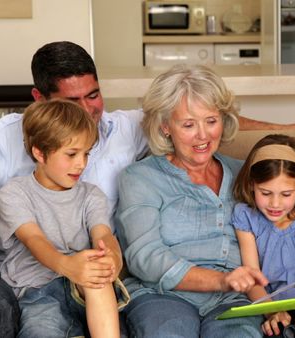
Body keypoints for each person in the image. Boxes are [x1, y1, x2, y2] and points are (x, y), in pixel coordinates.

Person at [0, 40, 295, 336]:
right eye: (71, 101)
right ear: (40, 99)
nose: (88, 110)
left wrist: (286, 130)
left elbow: (200, 118)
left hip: (99, 276)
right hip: (28, 279)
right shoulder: (4, 142)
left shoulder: (125, 129)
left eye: (93, 95)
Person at [115, 64, 269, 337]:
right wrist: (222, 280)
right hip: (163, 295)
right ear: (165, 127)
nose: (203, 135)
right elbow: (144, 257)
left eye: (211, 121)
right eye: (188, 124)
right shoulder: (140, 177)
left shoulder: (244, 173)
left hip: (234, 299)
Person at [0, 99, 128, 337]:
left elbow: (103, 234)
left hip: (86, 289)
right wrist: (67, 265)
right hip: (39, 292)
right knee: (40, 332)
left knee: (95, 274)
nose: (81, 164)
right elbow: (34, 239)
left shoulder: (91, 195)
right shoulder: (15, 192)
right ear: (39, 152)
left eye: (86, 153)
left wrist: (113, 260)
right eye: (71, 154)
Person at [232, 134, 295, 338]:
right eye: (265, 192)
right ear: (252, 184)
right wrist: (272, 311)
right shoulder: (245, 216)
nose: (275, 204)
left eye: (286, 194)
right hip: (268, 304)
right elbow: (251, 275)